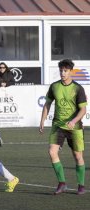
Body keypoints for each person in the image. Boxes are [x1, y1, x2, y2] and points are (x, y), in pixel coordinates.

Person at [39, 59, 87, 195]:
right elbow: (47, 104)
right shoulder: (54, 86)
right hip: (58, 125)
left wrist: (74, 120)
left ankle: (81, 185)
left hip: (75, 127)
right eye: (61, 70)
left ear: (71, 71)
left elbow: (83, 110)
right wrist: (42, 120)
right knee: (52, 152)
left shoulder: (78, 88)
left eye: (65, 71)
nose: (62, 73)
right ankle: (62, 183)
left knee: (77, 156)